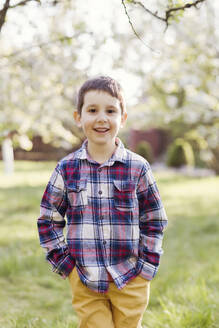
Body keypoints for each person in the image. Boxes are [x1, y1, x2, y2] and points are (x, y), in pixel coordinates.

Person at [37, 76, 168, 328]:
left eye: (110, 110)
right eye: (92, 110)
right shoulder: (67, 169)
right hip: (85, 276)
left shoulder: (138, 167)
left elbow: (154, 218)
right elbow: (48, 219)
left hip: (131, 275)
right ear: (78, 117)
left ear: (123, 118)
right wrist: (66, 265)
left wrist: (147, 265)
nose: (101, 118)